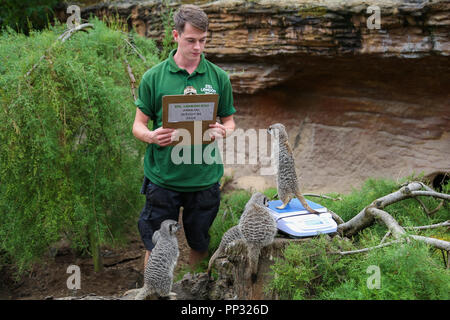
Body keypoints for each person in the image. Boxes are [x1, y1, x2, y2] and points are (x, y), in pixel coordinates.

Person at [132, 4, 236, 269]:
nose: (198, 47)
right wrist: (152, 137)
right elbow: (138, 127)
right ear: (176, 36)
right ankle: (152, 292)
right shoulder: (153, 78)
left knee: (200, 243)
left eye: (203, 41)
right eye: (191, 40)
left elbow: (230, 122)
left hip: (204, 179)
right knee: (156, 244)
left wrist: (223, 131)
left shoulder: (219, 77)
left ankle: (192, 292)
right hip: (163, 180)